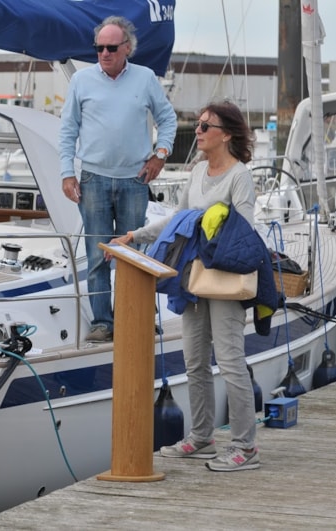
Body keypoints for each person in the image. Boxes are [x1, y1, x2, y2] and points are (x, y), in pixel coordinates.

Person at [110, 101, 260, 471]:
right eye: (198, 123)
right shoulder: (197, 172)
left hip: (223, 279)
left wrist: (207, 222)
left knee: (230, 362)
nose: (198, 130)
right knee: (194, 361)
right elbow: (176, 219)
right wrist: (135, 236)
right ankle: (202, 437)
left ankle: (245, 447)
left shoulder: (240, 176)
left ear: (226, 134)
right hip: (192, 279)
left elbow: (244, 230)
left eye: (206, 125)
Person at [59, 16, 177, 343]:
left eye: (111, 48)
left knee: (135, 253)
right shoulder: (81, 81)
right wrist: (67, 173)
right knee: (97, 256)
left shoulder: (145, 78)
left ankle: (137, 316)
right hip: (93, 179)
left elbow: (168, 119)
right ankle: (103, 322)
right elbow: (67, 130)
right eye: (99, 48)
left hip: (134, 180)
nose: (104, 54)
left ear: (127, 48)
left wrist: (161, 154)